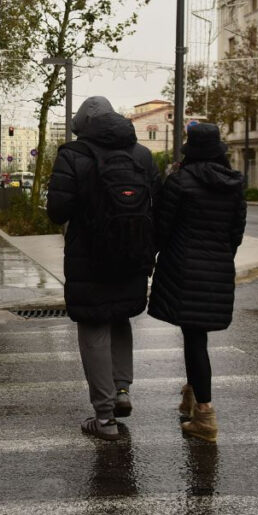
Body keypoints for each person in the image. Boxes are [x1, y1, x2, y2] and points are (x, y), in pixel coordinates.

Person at [46, 97, 161, 440]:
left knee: (94, 326)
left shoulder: (73, 154)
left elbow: (57, 210)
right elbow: (159, 205)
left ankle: (105, 417)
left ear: (81, 123)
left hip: (90, 259)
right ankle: (122, 389)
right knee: (121, 316)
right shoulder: (141, 154)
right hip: (133, 255)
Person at [148, 123, 246, 443]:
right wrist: (218, 258)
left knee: (194, 339)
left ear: (190, 149)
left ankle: (204, 414)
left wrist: (153, 257)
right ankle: (191, 396)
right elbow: (236, 235)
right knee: (196, 336)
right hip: (217, 270)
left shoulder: (180, 181)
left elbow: (161, 229)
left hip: (183, 270)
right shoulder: (234, 185)